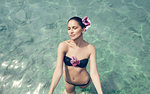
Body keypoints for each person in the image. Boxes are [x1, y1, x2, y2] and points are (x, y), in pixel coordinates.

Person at [48, 16, 103, 94]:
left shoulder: (90, 48)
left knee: (85, 92)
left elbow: (93, 73)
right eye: (69, 28)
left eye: (74, 28)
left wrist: (100, 93)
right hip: (69, 82)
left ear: (83, 29)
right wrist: (50, 92)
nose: (71, 31)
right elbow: (58, 70)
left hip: (84, 83)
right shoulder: (63, 46)